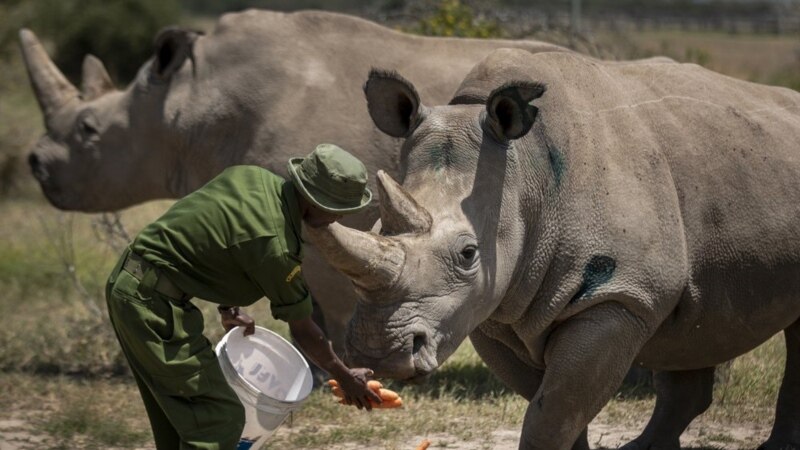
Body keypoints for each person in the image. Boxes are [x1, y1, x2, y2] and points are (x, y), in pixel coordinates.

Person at [104, 143, 382, 450]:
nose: (339, 217)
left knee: (179, 418)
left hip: (131, 284)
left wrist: (228, 306)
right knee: (218, 418)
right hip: (152, 307)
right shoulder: (278, 248)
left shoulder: (252, 178)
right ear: (318, 201)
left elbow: (214, 231)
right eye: (340, 208)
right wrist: (343, 375)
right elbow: (304, 330)